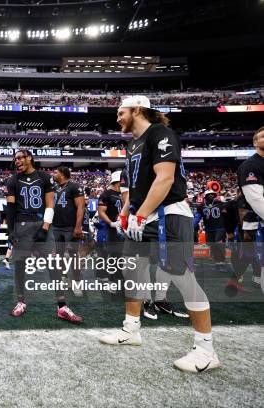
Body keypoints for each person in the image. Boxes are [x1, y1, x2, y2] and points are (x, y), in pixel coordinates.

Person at [99, 95, 220, 373]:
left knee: (182, 278)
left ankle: (206, 349)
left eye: (121, 112)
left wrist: (140, 215)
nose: (117, 117)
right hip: (143, 214)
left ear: (138, 109)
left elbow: (165, 179)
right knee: (133, 271)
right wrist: (126, 213)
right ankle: (132, 329)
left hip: (168, 213)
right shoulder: (132, 144)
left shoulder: (161, 134)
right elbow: (134, 187)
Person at [6, 150, 82, 323]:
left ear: (29, 158)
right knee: (19, 266)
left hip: (41, 224)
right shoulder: (13, 180)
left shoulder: (44, 177)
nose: (17, 161)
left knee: (54, 266)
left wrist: (45, 228)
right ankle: (20, 302)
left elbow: (50, 204)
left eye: (20, 158)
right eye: (15, 159)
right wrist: (10, 231)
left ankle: (61, 306)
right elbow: (10, 208)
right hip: (21, 226)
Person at [51, 166, 86, 297]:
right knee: (59, 256)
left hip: (70, 227)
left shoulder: (74, 186)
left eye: (56, 172)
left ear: (63, 174)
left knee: (74, 256)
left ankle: (77, 283)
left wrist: (78, 226)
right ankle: (63, 278)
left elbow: (81, 207)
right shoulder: (55, 188)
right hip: (56, 226)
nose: (53, 174)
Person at [236, 127, 264, 290]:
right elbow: (256, 200)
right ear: (255, 142)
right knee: (251, 255)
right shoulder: (250, 165)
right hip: (257, 222)